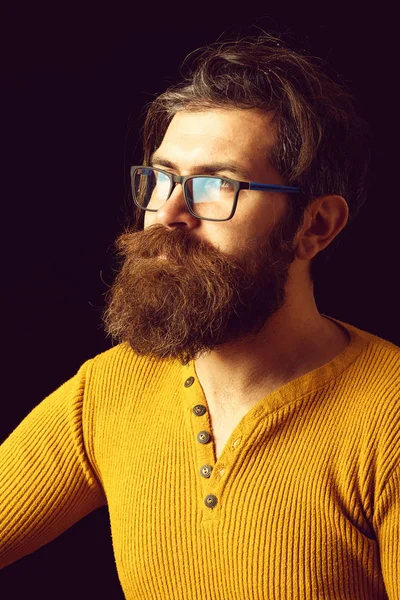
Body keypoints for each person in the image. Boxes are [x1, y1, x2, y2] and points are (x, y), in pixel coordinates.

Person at [1, 34, 399, 599]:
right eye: (161, 177)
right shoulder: (110, 389)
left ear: (315, 227)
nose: (168, 213)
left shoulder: (389, 419)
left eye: (216, 186)